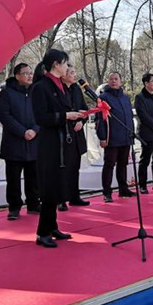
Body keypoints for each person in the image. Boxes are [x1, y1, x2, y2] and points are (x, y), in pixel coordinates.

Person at [31, 49, 85, 248]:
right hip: (50, 143)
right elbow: (41, 117)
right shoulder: (41, 87)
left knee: (58, 185)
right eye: (65, 64)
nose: (67, 68)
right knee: (50, 187)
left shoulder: (61, 85)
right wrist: (65, 116)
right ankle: (42, 232)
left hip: (63, 141)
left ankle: (52, 226)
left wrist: (74, 114)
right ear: (55, 64)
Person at [0, 63, 41, 221]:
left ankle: (34, 204)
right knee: (13, 178)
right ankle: (14, 207)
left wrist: (35, 129)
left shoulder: (36, 92)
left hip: (34, 141)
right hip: (14, 143)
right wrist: (23, 132)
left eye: (30, 73)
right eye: (25, 73)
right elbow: (4, 115)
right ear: (17, 76)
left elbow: (42, 113)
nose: (29, 76)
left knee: (33, 177)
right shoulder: (7, 93)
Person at [96, 72, 135, 203]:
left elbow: (129, 117)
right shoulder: (103, 98)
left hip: (125, 137)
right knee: (109, 165)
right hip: (111, 138)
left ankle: (123, 189)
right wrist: (102, 137)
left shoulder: (125, 98)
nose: (113, 81)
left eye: (116, 79)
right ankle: (107, 192)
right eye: (111, 79)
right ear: (108, 81)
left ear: (121, 81)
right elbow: (100, 120)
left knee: (123, 165)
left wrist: (131, 135)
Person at [57, 64, 90, 211]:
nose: (74, 75)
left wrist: (81, 121)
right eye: (71, 72)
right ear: (63, 75)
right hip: (63, 132)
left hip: (77, 132)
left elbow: (84, 109)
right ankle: (61, 199)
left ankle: (74, 196)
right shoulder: (58, 89)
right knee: (62, 168)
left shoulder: (76, 89)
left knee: (75, 167)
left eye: (75, 72)